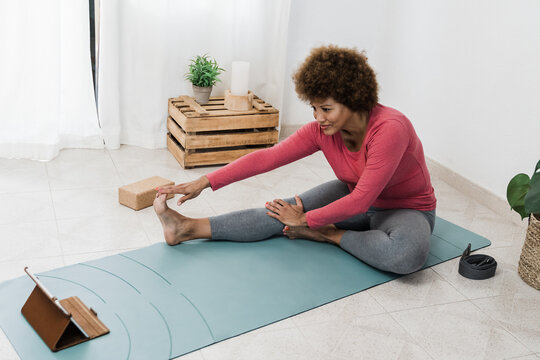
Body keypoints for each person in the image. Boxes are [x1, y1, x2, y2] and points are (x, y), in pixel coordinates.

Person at [154, 45, 436, 275]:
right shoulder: (322, 130)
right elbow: (267, 158)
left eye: (326, 108)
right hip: (352, 196)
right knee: (283, 211)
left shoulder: (390, 129)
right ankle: (186, 228)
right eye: (314, 107)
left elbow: (362, 200)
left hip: (405, 210)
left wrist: (308, 221)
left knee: (405, 255)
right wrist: (204, 181)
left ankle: (330, 235)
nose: (317, 117)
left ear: (355, 99)